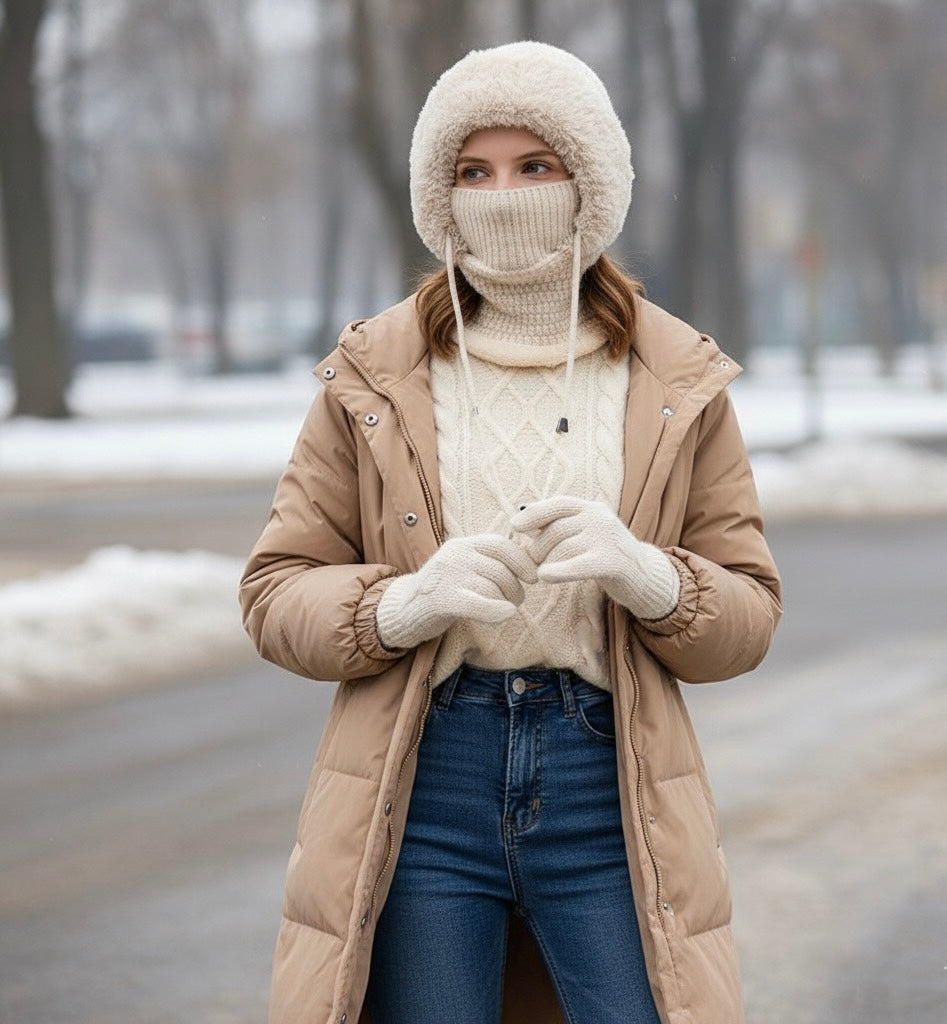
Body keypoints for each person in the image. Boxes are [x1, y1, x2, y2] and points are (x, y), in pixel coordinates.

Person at [240, 41, 782, 1024]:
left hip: (608, 784)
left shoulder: (675, 378)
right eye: (472, 171)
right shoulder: (373, 373)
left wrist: (647, 576)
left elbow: (745, 619)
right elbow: (275, 592)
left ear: (590, 184)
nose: (504, 196)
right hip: (426, 779)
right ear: (439, 197)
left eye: (535, 165)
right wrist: (404, 603)